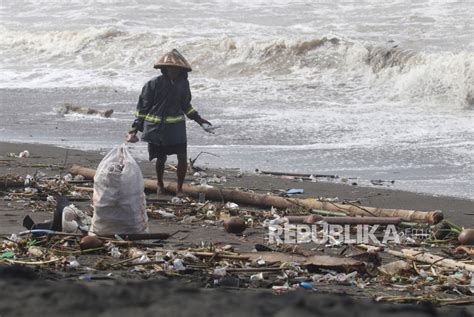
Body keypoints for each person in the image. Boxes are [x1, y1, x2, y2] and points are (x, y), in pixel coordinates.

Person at [127, 49, 212, 197]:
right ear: (164, 69)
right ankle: (160, 184)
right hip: (156, 128)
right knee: (161, 158)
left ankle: (179, 189)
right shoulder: (152, 84)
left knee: (182, 157)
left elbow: (186, 106)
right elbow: (142, 109)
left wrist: (200, 120)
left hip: (176, 128)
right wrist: (135, 128)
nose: (173, 70)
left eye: (176, 68)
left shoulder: (183, 84)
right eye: (170, 68)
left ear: (181, 70)